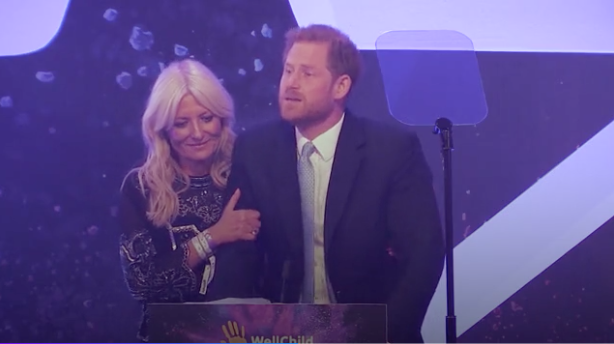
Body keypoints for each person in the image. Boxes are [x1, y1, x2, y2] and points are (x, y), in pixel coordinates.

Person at [221, 24, 445, 343]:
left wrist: (387, 332)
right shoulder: (255, 149)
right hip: (280, 335)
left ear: (340, 86)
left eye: (307, 74)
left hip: (370, 334)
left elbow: (424, 254)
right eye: (288, 71)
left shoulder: (391, 151)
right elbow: (239, 251)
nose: (291, 83)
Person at [117, 59, 260, 342]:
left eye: (206, 118)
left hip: (250, 333)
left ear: (222, 119)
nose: (197, 133)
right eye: (182, 124)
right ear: (163, 129)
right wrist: (213, 237)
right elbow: (142, 285)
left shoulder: (250, 171)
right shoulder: (141, 187)